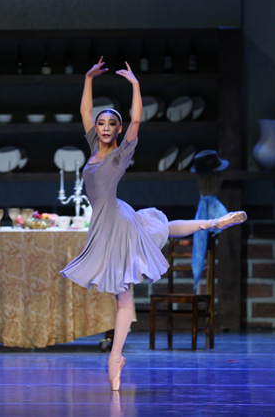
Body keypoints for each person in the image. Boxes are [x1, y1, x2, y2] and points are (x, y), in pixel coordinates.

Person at [60, 57, 247, 391]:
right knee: (161, 231)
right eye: (101, 123)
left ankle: (115, 357)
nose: (105, 127)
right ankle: (212, 221)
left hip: (115, 222)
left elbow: (136, 120)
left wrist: (135, 85)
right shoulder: (93, 146)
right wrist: (88, 78)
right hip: (108, 219)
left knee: (124, 295)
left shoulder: (120, 156)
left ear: (118, 131)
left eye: (111, 124)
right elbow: (84, 111)